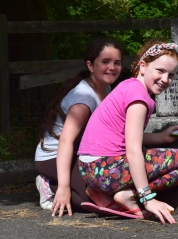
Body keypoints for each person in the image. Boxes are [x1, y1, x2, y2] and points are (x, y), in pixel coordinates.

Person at [77, 41, 178, 224]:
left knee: (142, 152)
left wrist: (161, 137)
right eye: (160, 71)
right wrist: (147, 198)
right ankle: (129, 195)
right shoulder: (139, 98)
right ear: (142, 66)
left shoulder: (128, 86)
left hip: (88, 169)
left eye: (171, 75)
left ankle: (99, 191)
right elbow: (132, 150)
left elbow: (123, 135)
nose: (165, 79)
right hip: (108, 169)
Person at [34, 37, 123, 217]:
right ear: (90, 65)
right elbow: (66, 141)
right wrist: (64, 187)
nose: (112, 67)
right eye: (105, 62)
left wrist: (159, 136)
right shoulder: (84, 99)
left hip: (82, 153)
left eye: (117, 62)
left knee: (109, 188)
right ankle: (50, 185)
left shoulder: (106, 87)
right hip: (54, 156)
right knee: (90, 201)